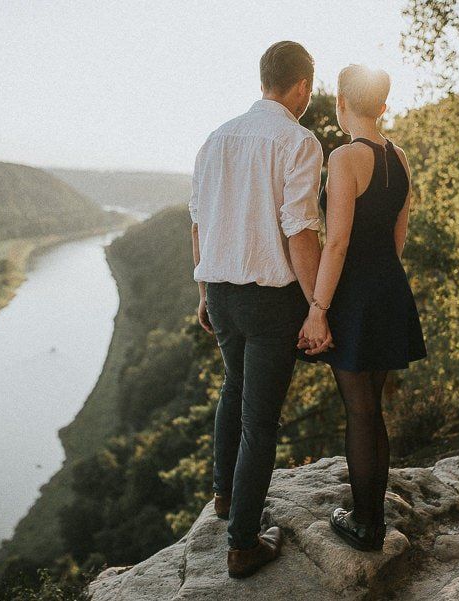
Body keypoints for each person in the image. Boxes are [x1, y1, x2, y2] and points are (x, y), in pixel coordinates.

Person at [189, 41, 326, 578]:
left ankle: (225, 497)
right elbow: (300, 230)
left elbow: (198, 222)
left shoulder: (214, 139)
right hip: (271, 300)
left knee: (234, 389)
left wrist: (203, 292)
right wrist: (317, 306)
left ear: (263, 79)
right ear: (301, 87)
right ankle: (244, 542)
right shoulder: (298, 140)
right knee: (260, 421)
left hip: (220, 291)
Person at [297, 64, 427, 552]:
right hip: (388, 289)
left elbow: (336, 244)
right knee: (373, 410)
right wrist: (383, 285)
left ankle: (366, 524)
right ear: (384, 105)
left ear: (342, 104)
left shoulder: (346, 157)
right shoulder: (400, 158)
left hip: (353, 295)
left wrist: (318, 308)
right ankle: (371, 515)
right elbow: (399, 238)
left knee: (360, 410)